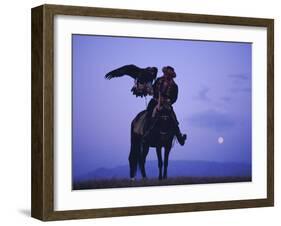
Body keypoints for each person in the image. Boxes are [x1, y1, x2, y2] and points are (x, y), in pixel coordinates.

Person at [143, 66, 187, 145]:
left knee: (174, 119)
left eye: (169, 75)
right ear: (164, 73)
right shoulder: (158, 80)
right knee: (148, 113)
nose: (167, 76)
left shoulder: (174, 86)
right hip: (155, 101)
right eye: (166, 74)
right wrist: (150, 91)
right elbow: (153, 89)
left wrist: (168, 101)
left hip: (166, 104)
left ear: (171, 76)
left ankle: (180, 137)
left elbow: (174, 98)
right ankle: (146, 133)